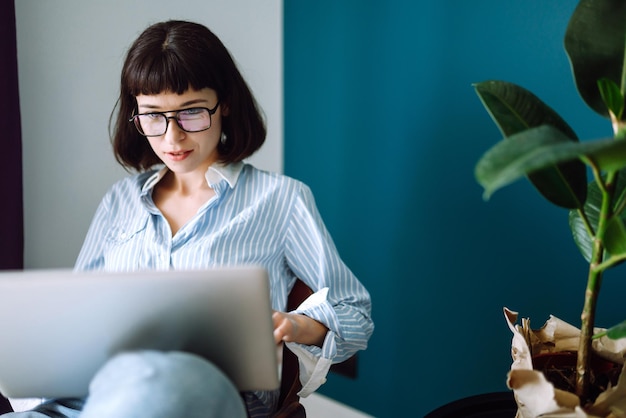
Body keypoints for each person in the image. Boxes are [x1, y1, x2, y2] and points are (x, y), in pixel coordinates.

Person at [4, 20, 373, 418]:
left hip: (206, 392)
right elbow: (77, 317)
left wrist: (296, 325)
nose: (172, 138)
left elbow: (354, 313)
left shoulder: (281, 199)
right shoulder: (120, 201)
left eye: (191, 112)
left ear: (224, 103)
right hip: (104, 391)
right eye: (153, 116)